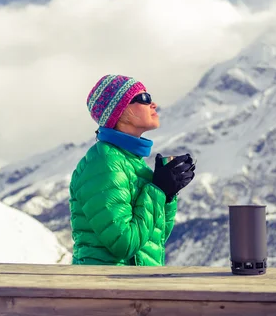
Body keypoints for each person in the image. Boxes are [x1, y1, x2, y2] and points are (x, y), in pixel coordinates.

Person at [69, 74, 196, 266]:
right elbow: (123, 243)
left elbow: (155, 238)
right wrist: (157, 191)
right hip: (107, 289)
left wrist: (167, 195)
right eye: (144, 98)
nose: (153, 104)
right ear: (120, 110)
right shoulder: (105, 162)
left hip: (128, 286)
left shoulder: (130, 162)